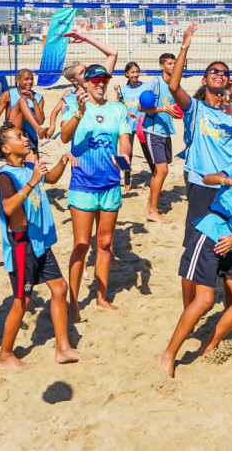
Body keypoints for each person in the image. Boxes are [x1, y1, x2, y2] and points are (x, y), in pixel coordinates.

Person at [158, 136, 232, 378]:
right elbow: (207, 178)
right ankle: (168, 354)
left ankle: (207, 347)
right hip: (213, 233)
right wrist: (229, 181)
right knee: (204, 300)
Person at [166, 24, 232, 265]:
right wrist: (185, 45)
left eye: (224, 73)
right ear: (204, 79)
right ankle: (193, 275)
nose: (220, 74)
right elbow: (173, 86)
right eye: (214, 71)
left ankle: (224, 275)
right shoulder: (195, 107)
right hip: (202, 180)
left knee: (228, 236)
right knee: (197, 235)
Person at [0, 125, 80, 368]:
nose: (25, 138)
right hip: (22, 246)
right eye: (19, 137)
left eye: (24, 135)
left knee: (60, 288)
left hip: (40, 243)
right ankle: (4, 354)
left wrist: (62, 162)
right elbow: (9, 207)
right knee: (23, 301)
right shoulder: (5, 176)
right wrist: (31, 182)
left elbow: (50, 178)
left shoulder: (29, 166)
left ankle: (63, 348)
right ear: (6, 149)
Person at [61, 64, 132, 315]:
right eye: (95, 79)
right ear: (86, 83)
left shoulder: (118, 108)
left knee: (104, 243)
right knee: (81, 244)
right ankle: (73, 301)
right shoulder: (74, 104)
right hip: (83, 184)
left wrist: (125, 156)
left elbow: (124, 139)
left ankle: (101, 297)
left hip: (110, 183)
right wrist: (80, 112)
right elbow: (64, 136)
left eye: (104, 79)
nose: (100, 83)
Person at [45, 32, 119, 139]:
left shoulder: (98, 83)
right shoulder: (70, 96)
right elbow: (55, 112)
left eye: (86, 68)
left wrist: (86, 38)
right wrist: (52, 125)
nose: (87, 71)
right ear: (74, 80)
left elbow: (113, 53)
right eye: (81, 72)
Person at [138, 52, 181, 223]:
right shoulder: (155, 82)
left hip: (165, 130)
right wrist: (164, 109)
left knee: (159, 170)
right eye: (170, 63)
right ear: (162, 66)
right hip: (153, 130)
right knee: (162, 170)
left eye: (174, 63)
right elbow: (142, 107)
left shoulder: (173, 83)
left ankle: (150, 206)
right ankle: (153, 212)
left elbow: (173, 106)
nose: (173, 65)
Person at [0, 68, 45, 153]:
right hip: (13, 130)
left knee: (33, 164)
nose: (30, 82)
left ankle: (36, 130)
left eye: (31, 79)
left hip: (29, 134)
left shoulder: (38, 98)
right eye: (26, 79)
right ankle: (38, 129)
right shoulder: (8, 94)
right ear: (18, 80)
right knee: (22, 101)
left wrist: (34, 101)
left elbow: (40, 121)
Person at [116, 62, 151, 189]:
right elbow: (119, 106)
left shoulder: (146, 87)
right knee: (126, 155)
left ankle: (154, 177)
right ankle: (126, 183)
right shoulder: (124, 90)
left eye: (137, 72)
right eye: (132, 72)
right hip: (127, 126)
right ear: (127, 74)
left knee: (148, 153)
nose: (135, 75)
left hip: (142, 125)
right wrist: (118, 93)